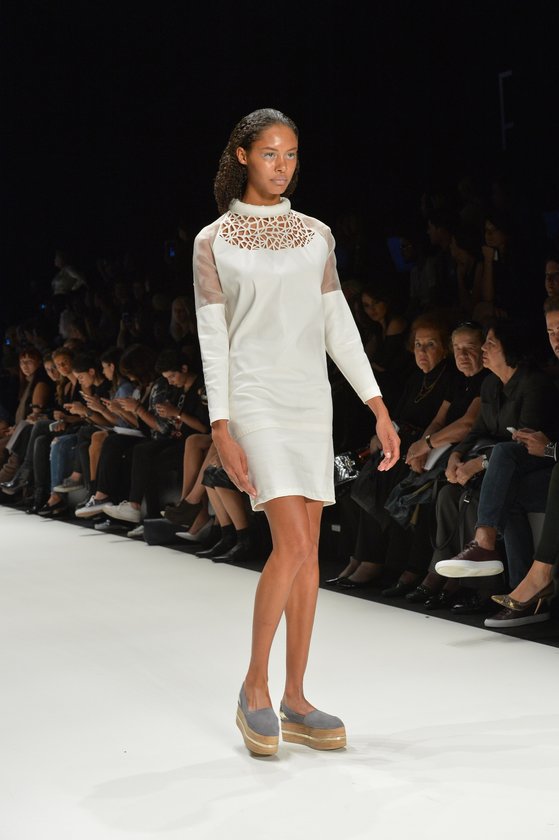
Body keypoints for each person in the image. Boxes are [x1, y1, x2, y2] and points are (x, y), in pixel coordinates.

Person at [193, 108, 399, 756]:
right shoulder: (213, 241)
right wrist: (220, 426)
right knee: (291, 543)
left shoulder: (316, 235)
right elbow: (212, 339)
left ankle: (296, 697)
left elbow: (338, 324)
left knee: (308, 550)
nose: (282, 166)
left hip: (310, 400)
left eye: (290, 155)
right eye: (269, 154)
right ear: (242, 155)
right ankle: (253, 686)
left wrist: (377, 405)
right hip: (253, 400)